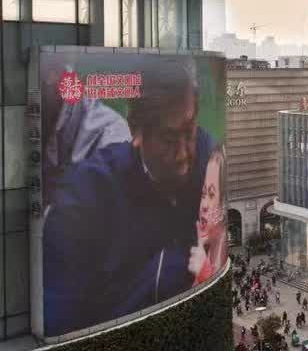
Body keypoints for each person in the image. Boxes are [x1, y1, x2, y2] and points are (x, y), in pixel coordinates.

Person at [42, 58, 217, 338]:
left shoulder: (209, 158)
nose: (184, 153)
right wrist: (166, 274)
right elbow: (59, 328)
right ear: (135, 130)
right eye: (169, 139)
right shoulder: (82, 199)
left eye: (189, 131)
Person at [189, 147, 227, 285]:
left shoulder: (223, 254)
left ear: (224, 204)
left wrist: (203, 273)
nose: (203, 206)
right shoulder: (209, 250)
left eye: (211, 195)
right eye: (203, 194)